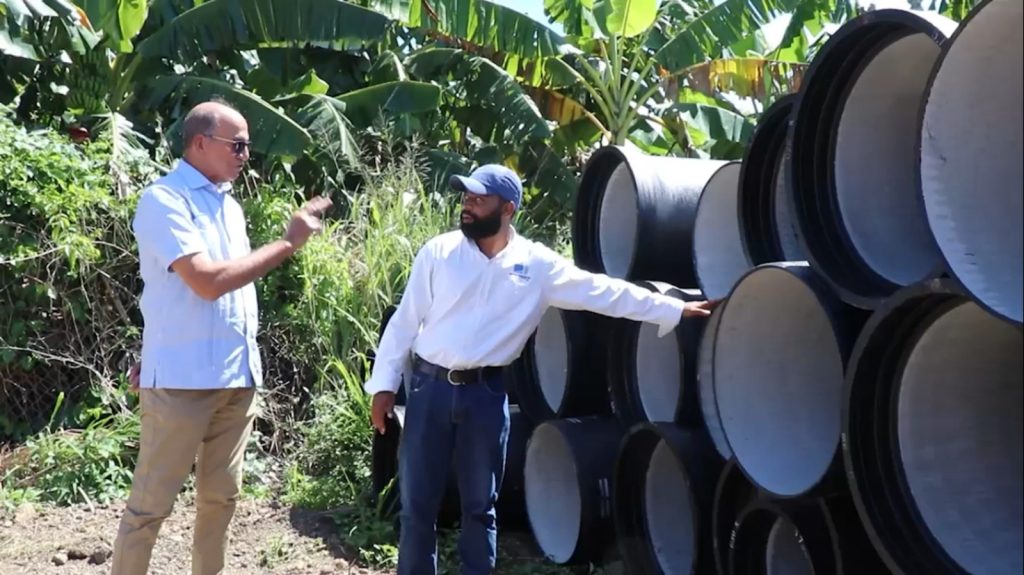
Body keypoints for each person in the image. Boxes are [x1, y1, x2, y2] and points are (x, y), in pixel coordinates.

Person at [365, 164, 719, 575]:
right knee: (418, 505)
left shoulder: (536, 266)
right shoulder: (439, 253)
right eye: (466, 198)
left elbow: (603, 292)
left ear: (508, 208)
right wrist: (384, 386)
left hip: (485, 395)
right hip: (429, 390)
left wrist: (673, 307)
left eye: (479, 200)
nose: (468, 206)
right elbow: (404, 323)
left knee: (481, 506)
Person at [111, 99, 332, 575]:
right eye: (238, 145)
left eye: (247, 146)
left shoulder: (228, 206)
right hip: (181, 384)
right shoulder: (164, 199)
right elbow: (208, 282)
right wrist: (288, 242)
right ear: (199, 143)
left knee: (221, 502)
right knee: (150, 508)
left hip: (235, 379)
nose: (245, 155)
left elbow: (206, 294)